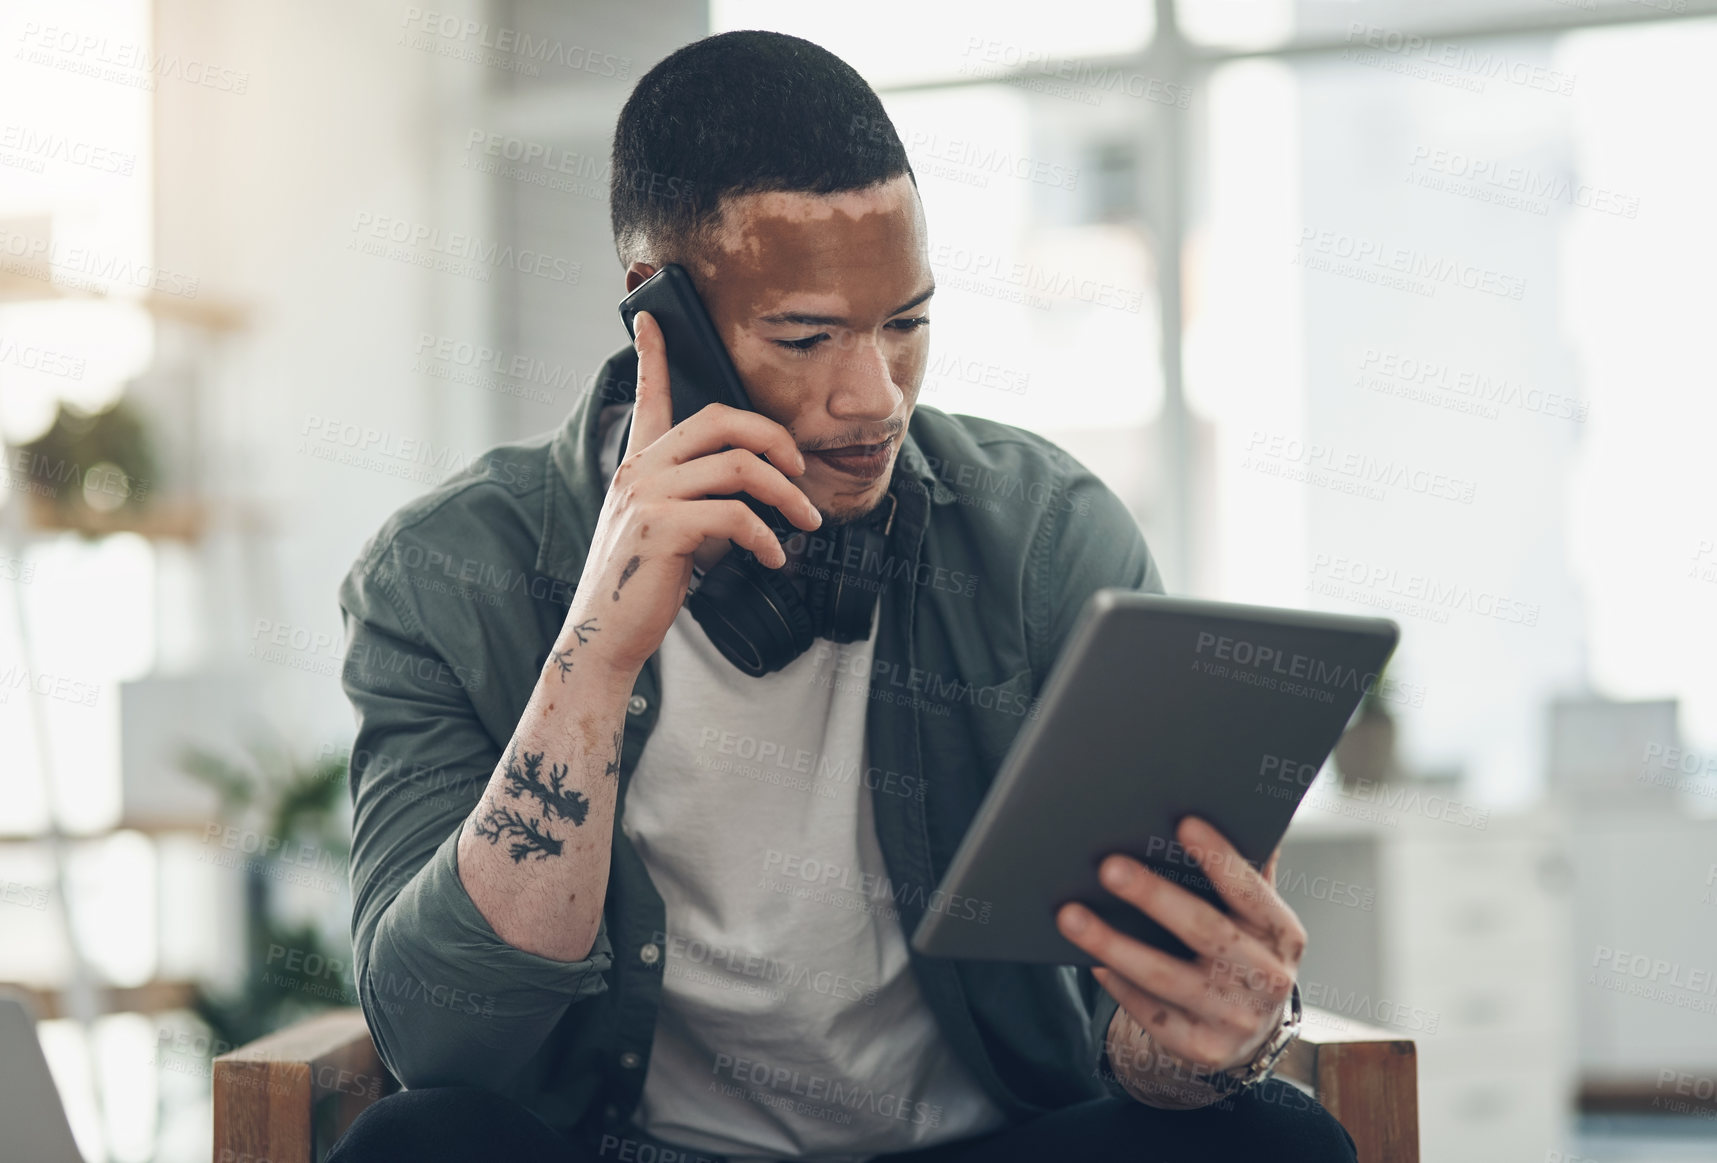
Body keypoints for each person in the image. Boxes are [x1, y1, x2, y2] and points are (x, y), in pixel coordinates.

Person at [327, 29, 1357, 1163]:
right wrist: (596, 651)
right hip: (645, 1152)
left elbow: (1123, 1013)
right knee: (419, 1144)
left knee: (1274, 1140)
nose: (874, 398)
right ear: (654, 307)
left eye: (905, 323)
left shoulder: (1046, 536)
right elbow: (440, 1042)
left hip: (984, 1142)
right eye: (807, 335)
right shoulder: (440, 572)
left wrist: (1190, 1049)